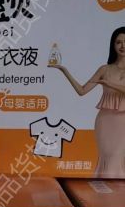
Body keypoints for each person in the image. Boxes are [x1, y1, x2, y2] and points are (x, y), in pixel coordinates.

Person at [49, 26, 125, 177]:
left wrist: (109, 84)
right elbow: (82, 91)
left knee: (117, 157)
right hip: (105, 120)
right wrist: (64, 70)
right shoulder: (104, 69)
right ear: (113, 45)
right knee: (107, 156)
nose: (122, 46)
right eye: (118, 42)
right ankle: (105, 189)